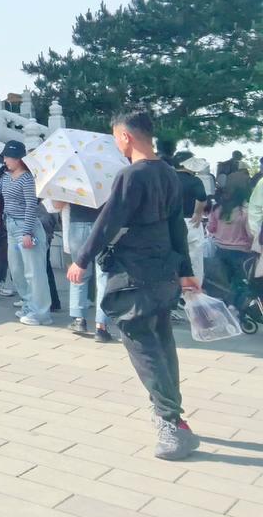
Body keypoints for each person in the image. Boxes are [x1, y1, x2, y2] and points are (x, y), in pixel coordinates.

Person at [68, 109, 198, 461]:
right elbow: (178, 226)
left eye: (116, 138)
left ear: (125, 136)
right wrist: (185, 270)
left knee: (141, 342)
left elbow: (108, 221)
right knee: (162, 340)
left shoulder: (132, 175)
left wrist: (82, 259)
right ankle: (171, 412)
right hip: (164, 269)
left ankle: (171, 422)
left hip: (135, 273)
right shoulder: (169, 173)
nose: (117, 144)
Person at [0, 140, 51, 325]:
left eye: (8, 157)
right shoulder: (7, 177)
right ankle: (28, 305)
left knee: (34, 272)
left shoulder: (27, 178)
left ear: (18, 158)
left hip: (26, 228)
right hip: (11, 228)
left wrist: (27, 233)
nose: (5, 160)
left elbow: (31, 206)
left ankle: (41, 313)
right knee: (17, 271)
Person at [57, 198, 113, 342]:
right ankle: (101, 326)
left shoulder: (73, 183)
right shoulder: (105, 182)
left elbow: (57, 205)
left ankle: (79, 319)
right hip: (102, 224)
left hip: (78, 223)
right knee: (103, 275)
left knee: (78, 270)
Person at [204, 186, 255, 305]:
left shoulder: (217, 209)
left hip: (220, 250)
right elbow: (250, 234)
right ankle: (235, 307)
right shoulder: (245, 212)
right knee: (238, 282)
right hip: (241, 253)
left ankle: (224, 305)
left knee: (222, 283)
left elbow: (210, 228)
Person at [172, 153, 210, 283]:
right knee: (194, 257)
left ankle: (174, 286)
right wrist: (198, 212)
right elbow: (201, 198)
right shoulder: (195, 181)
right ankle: (193, 288)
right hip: (191, 222)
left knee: (174, 256)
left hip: (171, 223)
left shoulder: (167, 179)